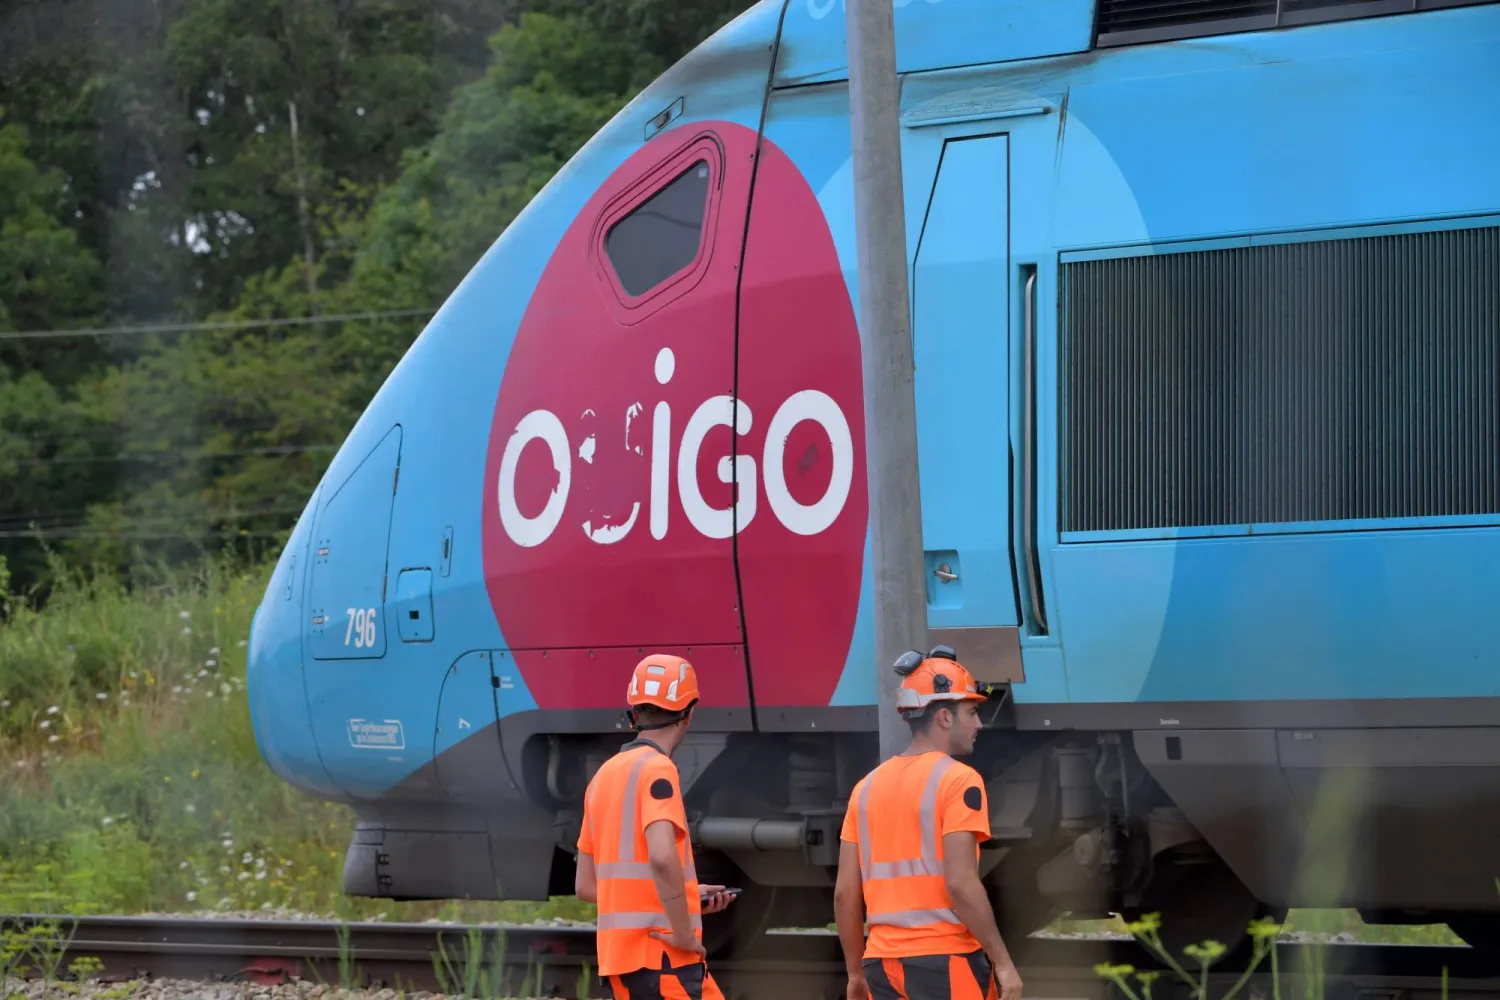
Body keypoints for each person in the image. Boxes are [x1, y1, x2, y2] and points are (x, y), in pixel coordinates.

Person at [834, 646, 1026, 1000]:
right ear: (944, 717)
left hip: (881, 966)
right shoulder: (958, 780)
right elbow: (961, 883)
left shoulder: (865, 788)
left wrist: (855, 974)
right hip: (945, 960)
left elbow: (846, 893)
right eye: (971, 712)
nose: (979, 724)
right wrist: (1003, 962)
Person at [574, 653, 737, 1000]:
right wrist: (683, 932)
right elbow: (662, 857)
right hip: (664, 961)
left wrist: (689, 895)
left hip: (620, 965)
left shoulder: (603, 777)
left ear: (635, 713)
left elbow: (586, 885)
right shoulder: (658, 770)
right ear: (689, 713)